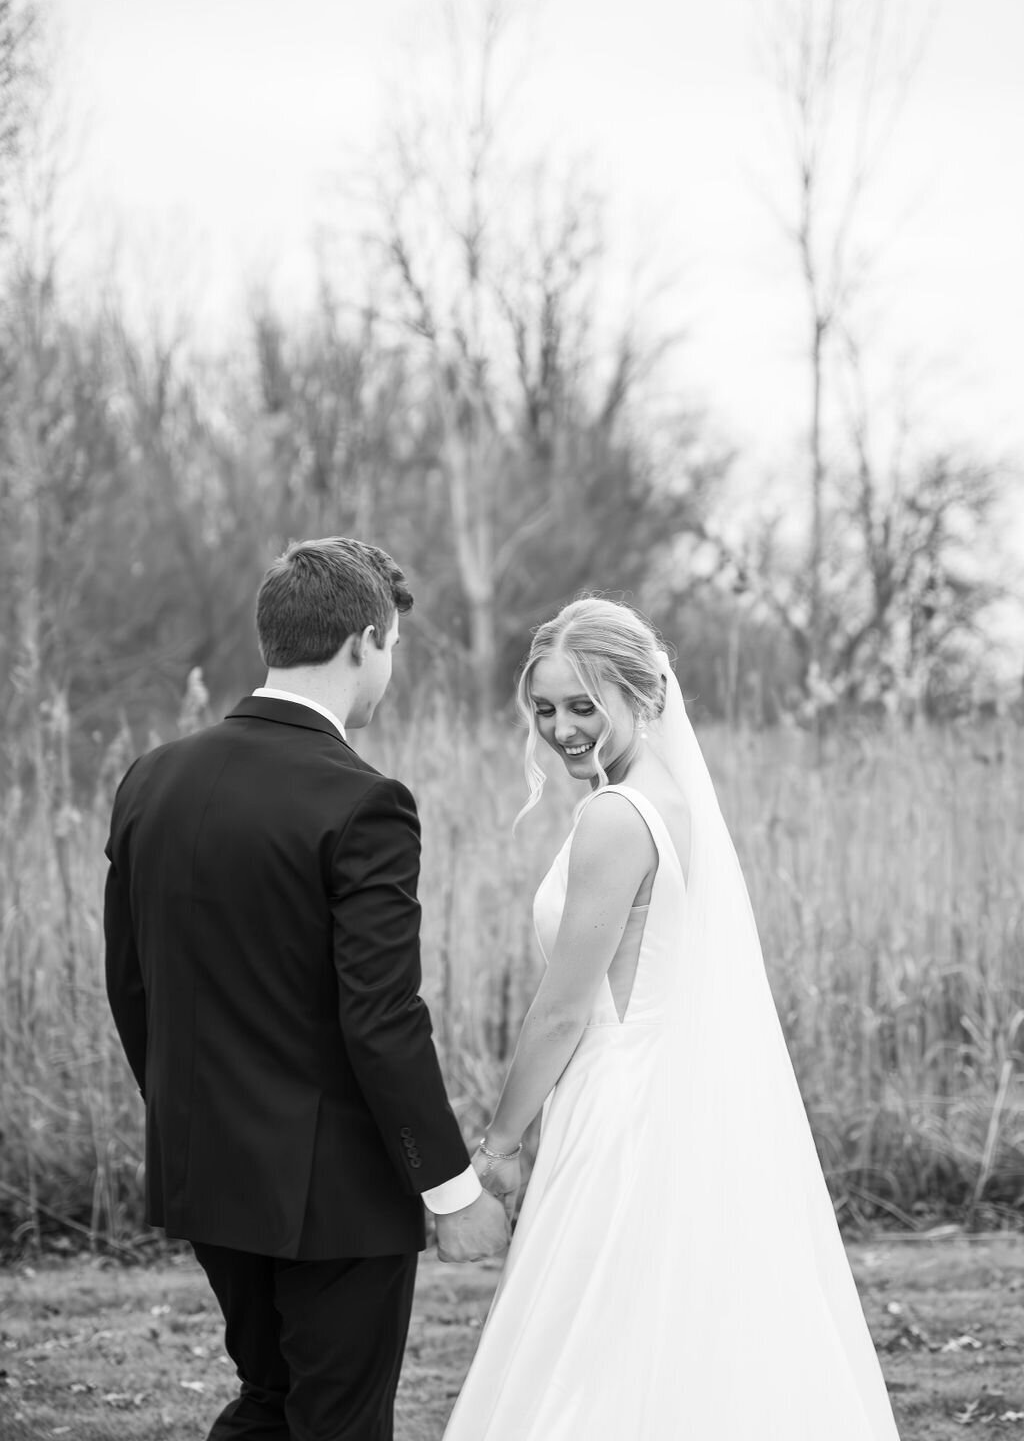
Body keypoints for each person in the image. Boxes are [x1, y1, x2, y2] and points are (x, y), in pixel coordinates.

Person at [443, 596, 902, 1439]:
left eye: (585, 705)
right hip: (668, 1098)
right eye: (544, 708)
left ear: (643, 697)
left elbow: (561, 1011)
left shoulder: (616, 819)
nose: (561, 728)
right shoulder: (673, 800)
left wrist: (499, 1147)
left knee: (594, 1351)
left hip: (621, 1108)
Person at [104, 536, 507, 1441]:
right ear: (366, 640)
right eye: (395, 648)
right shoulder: (364, 801)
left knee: (273, 1399)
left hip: (206, 1169)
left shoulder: (150, 780)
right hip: (335, 1195)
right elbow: (382, 1018)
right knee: (337, 1420)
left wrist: (192, 1117)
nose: (390, 669)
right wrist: (451, 1192)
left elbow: (131, 986)